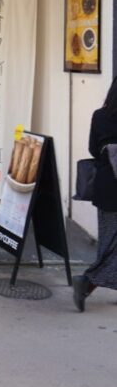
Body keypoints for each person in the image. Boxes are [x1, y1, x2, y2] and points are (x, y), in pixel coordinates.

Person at [74, 76, 117, 311]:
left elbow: (93, 148)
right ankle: (86, 282)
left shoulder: (99, 116)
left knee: (108, 242)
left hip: (106, 186)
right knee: (112, 247)